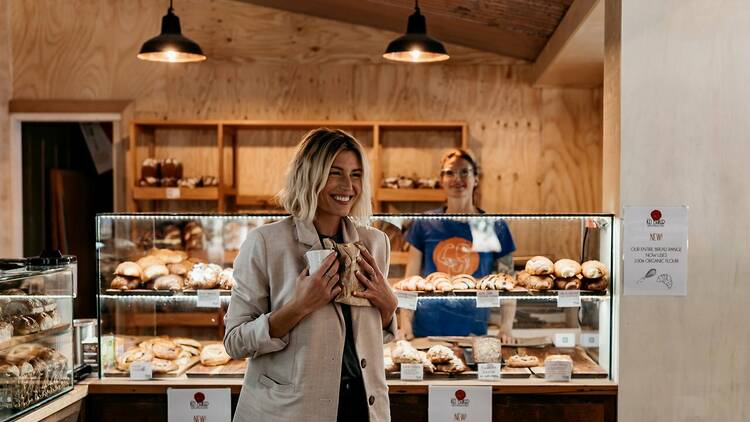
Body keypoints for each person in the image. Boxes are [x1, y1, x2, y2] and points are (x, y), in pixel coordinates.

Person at [224, 128, 398, 422]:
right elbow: (235, 341)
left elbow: (371, 337)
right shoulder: (266, 243)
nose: (348, 185)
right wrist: (298, 307)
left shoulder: (375, 243)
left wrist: (388, 306)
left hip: (364, 406)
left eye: (356, 174)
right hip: (291, 410)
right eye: (335, 173)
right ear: (309, 175)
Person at [399, 148, 517, 342]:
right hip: (426, 328)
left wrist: (506, 327)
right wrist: (405, 325)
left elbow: (508, 282)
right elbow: (410, 281)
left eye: (464, 172)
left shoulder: (492, 225)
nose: (457, 178)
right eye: (449, 173)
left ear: (476, 179)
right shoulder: (424, 222)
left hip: (474, 328)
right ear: (441, 180)